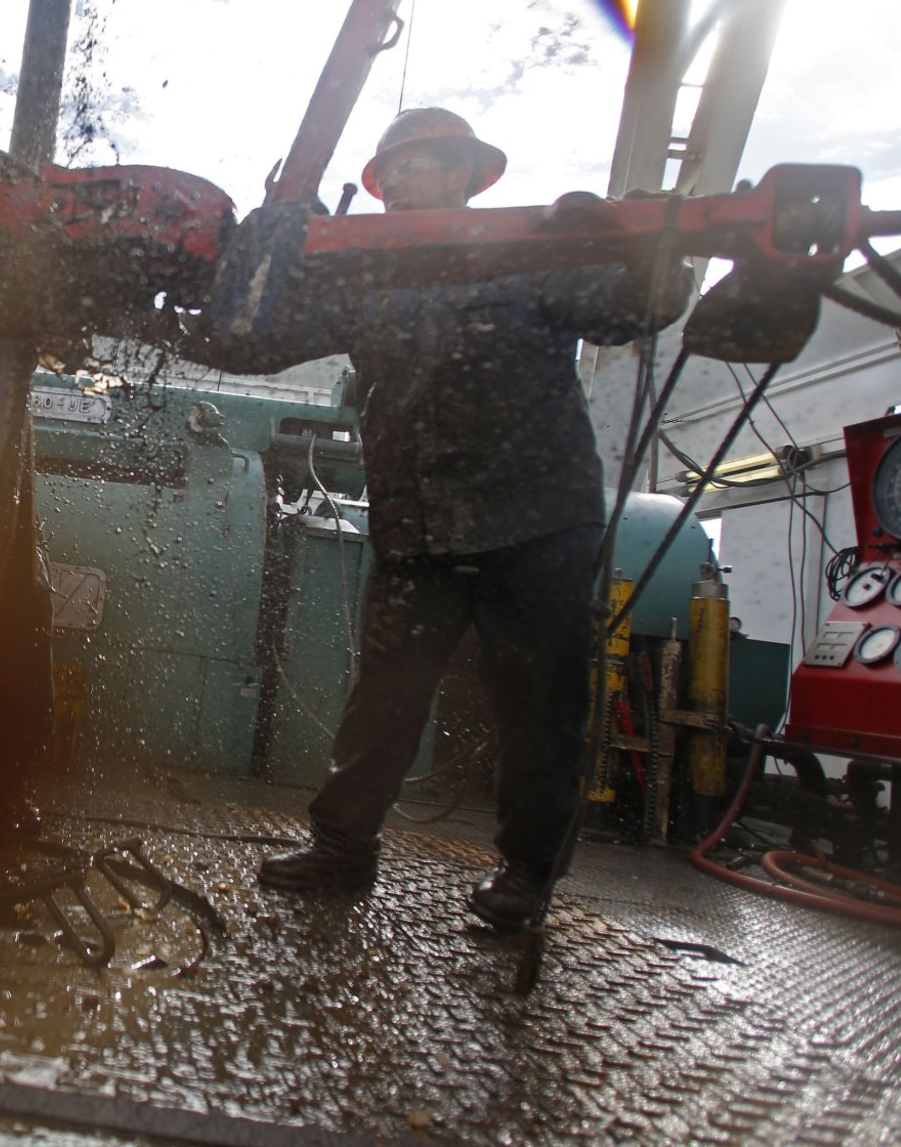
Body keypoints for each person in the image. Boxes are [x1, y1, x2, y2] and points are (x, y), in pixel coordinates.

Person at [254, 108, 689, 930]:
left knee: (539, 705)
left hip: (538, 519)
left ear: (468, 176)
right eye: (404, 169)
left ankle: (528, 876)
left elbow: (638, 309)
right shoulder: (372, 274)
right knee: (384, 698)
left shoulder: (530, 256)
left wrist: (645, 240)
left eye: (434, 164)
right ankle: (343, 850)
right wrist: (278, 250)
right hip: (419, 524)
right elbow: (266, 331)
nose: (419, 180)